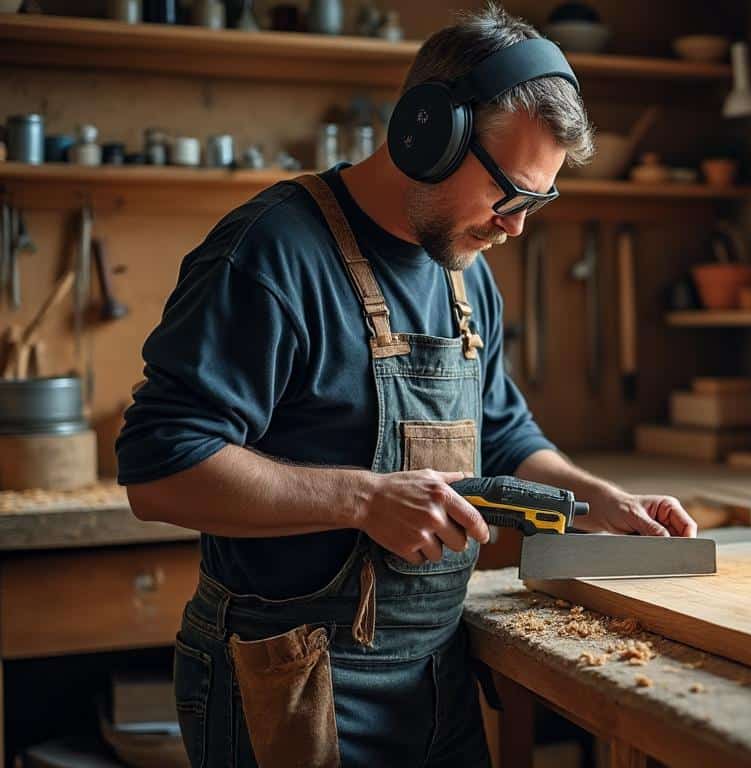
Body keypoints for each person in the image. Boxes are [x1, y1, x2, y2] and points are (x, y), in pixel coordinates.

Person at [116, 6, 696, 765]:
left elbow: (506, 433)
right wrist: (364, 500)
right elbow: (160, 469)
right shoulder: (271, 254)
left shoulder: (466, 271)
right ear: (427, 135)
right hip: (288, 679)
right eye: (509, 195)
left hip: (433, 676)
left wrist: (596, 504)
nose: (516, 227)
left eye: (537, 202)